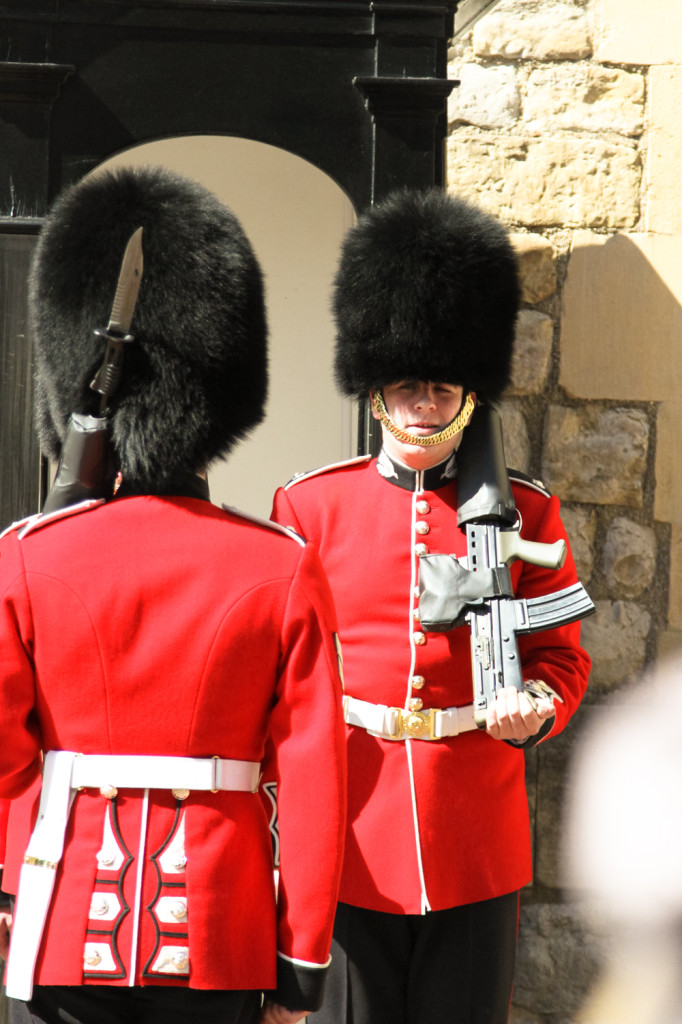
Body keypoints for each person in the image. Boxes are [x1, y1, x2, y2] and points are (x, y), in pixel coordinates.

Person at [0, 166, 346, 1024]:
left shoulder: (26, 557)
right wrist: (300, 961)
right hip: (222, 938)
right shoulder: (281, 565)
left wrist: (12, 898)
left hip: (59, 919)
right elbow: (312, 786)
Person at [271, 188, 591, 1024]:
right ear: (376, 389)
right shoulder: (310, 507)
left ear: (470, 393)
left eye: (443, 387)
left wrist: (540, 711)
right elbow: (288, 677)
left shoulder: (527, 512)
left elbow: (562, 656)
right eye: (407, 385)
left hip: (473, 833)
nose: (423, 405)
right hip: (352, 833)